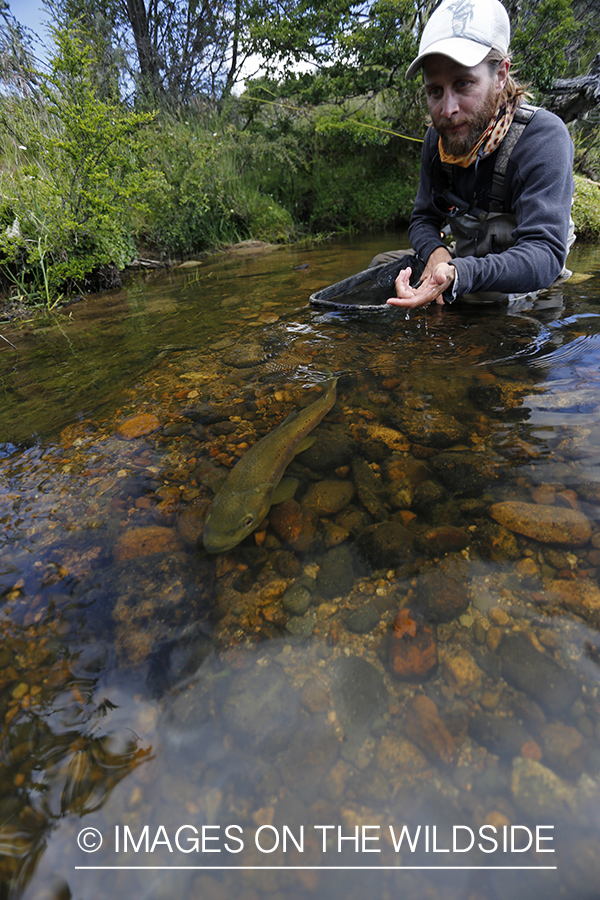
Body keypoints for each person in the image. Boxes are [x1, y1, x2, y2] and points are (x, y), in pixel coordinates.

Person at [381, 0, 575, 310]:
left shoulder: (543, 138)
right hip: (465, 264)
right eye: (435, 91)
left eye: (463, 84)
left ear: (500, 75)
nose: (447, 110)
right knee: (382, 268)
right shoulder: (437, 140)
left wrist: (459, 274)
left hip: (529, 281)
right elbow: (422, 220)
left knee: (474, 300)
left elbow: (545, 255)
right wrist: (437, 254)